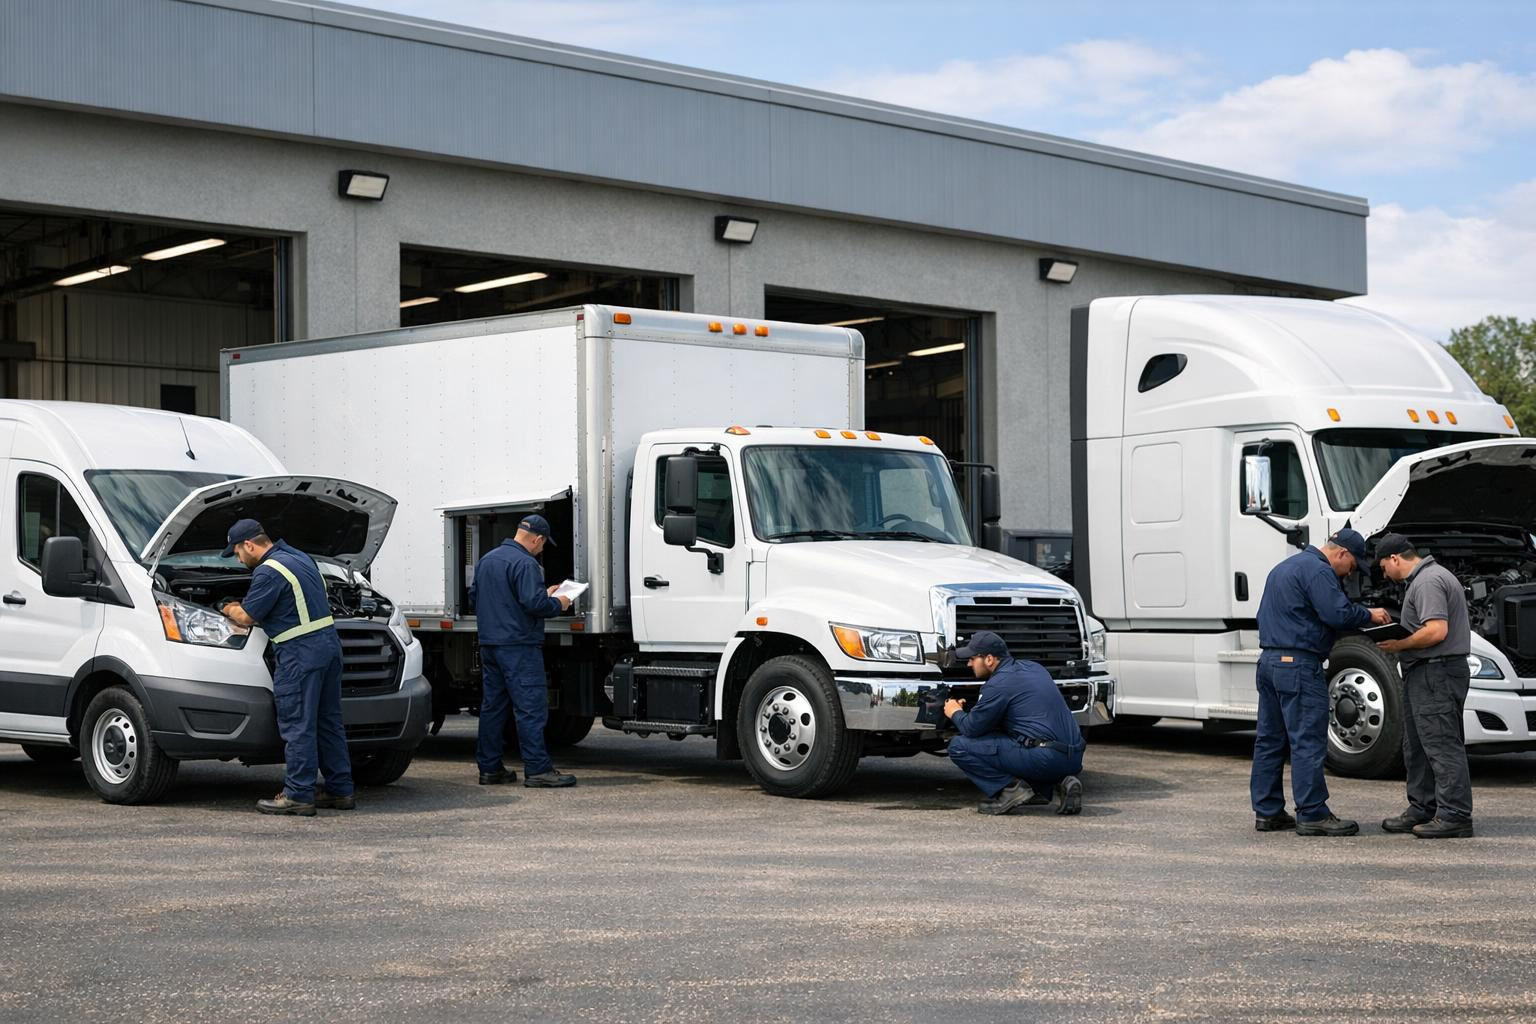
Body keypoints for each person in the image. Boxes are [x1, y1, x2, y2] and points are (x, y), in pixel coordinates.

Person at [1251, 528, 1389, 837]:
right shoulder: (1318, 571)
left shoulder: (1284, 567)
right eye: (1352, 565)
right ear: (1341, 553)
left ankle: (1267, 811)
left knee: (1270, 740)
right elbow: (1337, 614)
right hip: (1299, 664)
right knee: (1307, 740)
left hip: (1270, 662)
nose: (1351, 572)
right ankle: (1313, 813)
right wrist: (1369, 614)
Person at [220, 518, 353, 816]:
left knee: (298, 724)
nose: (239, 559)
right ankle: (340, 790)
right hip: (329, 647)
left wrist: (226, 606)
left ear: (250, 544)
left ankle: (298, 794)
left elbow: (246, 617)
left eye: (238, 552)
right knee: (328, 722)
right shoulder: (299, 557)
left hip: (299, 654)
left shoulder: (268, 571)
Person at [1373, 533, 1475, 838]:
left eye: (1383, 567)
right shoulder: (1424, 580)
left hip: (1437, 672)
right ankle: (1422, 807)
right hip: (1425, 672)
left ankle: (1455, 814)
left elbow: (1436, 631)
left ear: (1394, 558)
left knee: (1441, 743)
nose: (1384, 574)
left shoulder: (1428, 580)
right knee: (1417, 745)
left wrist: (1399, 643)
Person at [469, 514, 575, 788]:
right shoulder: (526, 564)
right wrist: (559, 602)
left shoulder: (487, 560)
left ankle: (490, 769)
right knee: (530, 708)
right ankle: (538, 769)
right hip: (519, 647)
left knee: (493, 707)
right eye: (542, 544)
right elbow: (535, 605)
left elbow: (474, 598)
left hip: (490, 645)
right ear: (537, 539)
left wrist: (543, 592)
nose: (542, 549)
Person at [943, 631, 1085, 816]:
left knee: (959, 746)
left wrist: (955, 712)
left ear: (989, 659)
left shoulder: (999, 684)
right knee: (1021, 737)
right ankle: (1055, 785)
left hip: (1045, 758)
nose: (969, 663)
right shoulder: (1035, 668)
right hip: (1074, 757)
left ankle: (1009, 791)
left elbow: (972, 728)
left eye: (972, 658)